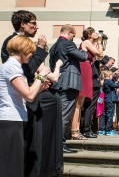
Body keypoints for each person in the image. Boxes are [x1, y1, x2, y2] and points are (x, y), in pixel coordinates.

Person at [1, 10, 64, 177]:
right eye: (33, 23)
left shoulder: (15, 59)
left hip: (20, 109)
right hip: (13, 113)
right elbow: (28, 73)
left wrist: (39, 84)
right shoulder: (12, 47)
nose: (36, 27)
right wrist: (41, 50)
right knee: (13, 161)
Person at [0, 35, 50, 177]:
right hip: (10, 120)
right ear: (23, 50)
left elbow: (26, 94)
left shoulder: (13, 66)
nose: (31, 55)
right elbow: (28, 95)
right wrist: (40, 76)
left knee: (14, 163)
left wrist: (39, 87)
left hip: (14, 119)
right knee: (11, 165)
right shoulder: (11, 67)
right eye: (30, 52)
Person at [49, 24, 88, 153]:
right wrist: (83, 49)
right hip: (68, 83)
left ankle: (57, 142)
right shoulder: (67, 44)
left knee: (59, 113)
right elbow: (83, 57)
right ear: (70, 32)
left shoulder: (54, 45)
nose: (73, 38)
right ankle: (59, 144)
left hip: (58, 82)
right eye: (73, 35)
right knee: (63, 115)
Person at [71, 27, 102, 140]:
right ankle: (75, 130)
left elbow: (98, 57)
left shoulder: (89, 43)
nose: (97, 33)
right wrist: (99, 42)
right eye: (95, 32)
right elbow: (99, 53)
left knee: (82, 101)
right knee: (79, 101)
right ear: (89, 34)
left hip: (87, 68)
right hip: (84, 68)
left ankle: (77, 129)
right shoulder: (87, 42)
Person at [81, 36, 103, 138]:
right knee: (89, 107)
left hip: (92, 83)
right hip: (93, 83)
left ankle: (87, 129)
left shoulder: (92, 58)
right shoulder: (91, 58)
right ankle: (86, 130)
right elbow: (101, 54)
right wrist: (99, 42)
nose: (97, 47)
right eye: (95, 46)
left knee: (88, 108)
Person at [98, 70, 119, 136]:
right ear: (108, 76)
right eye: (111, 75)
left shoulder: (104, 81)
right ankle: (108, 130)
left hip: (105, 99)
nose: (112, 76)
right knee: (110, 115)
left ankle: (102, 130)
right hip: (110, 100)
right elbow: (116, 85)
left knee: (104, 114)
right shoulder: (108, 81)